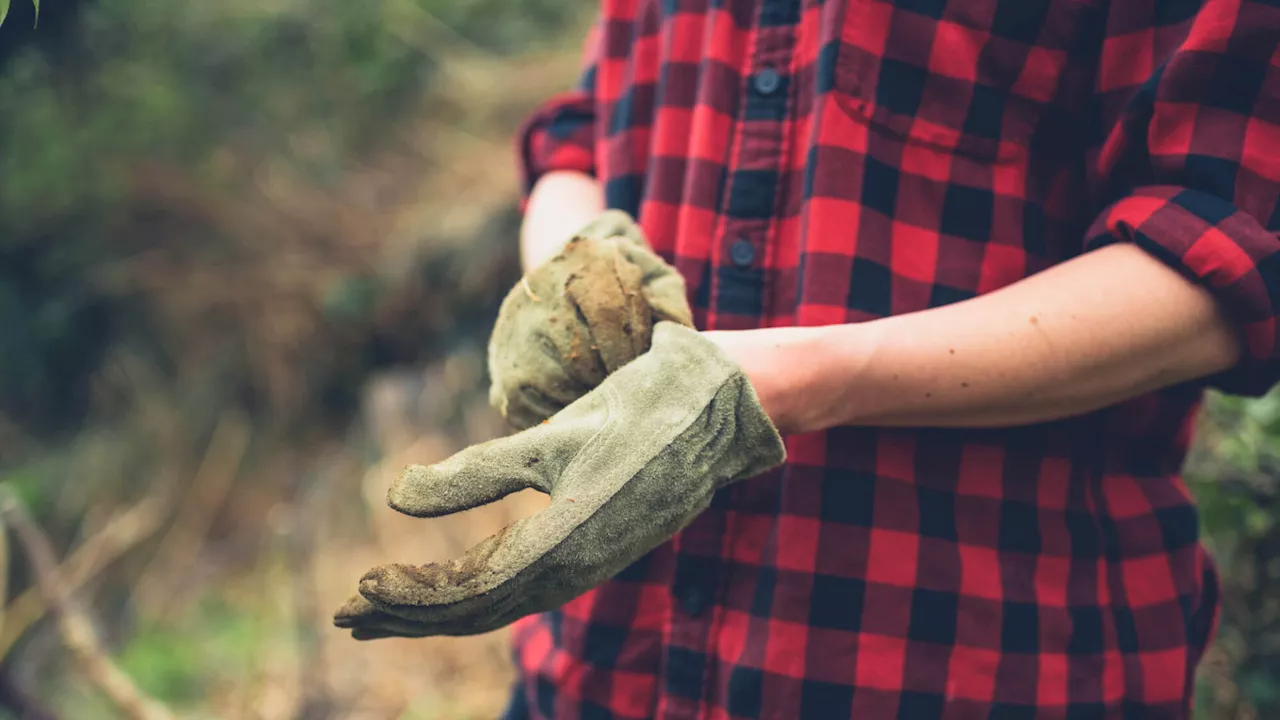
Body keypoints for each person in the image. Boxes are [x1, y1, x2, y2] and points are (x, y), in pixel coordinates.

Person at [337, 1, 1280, 717]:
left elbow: (1218, 256)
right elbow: (591, 125)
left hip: (960, 666)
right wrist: (571, 264)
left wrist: (780, 384)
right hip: (598, 671)